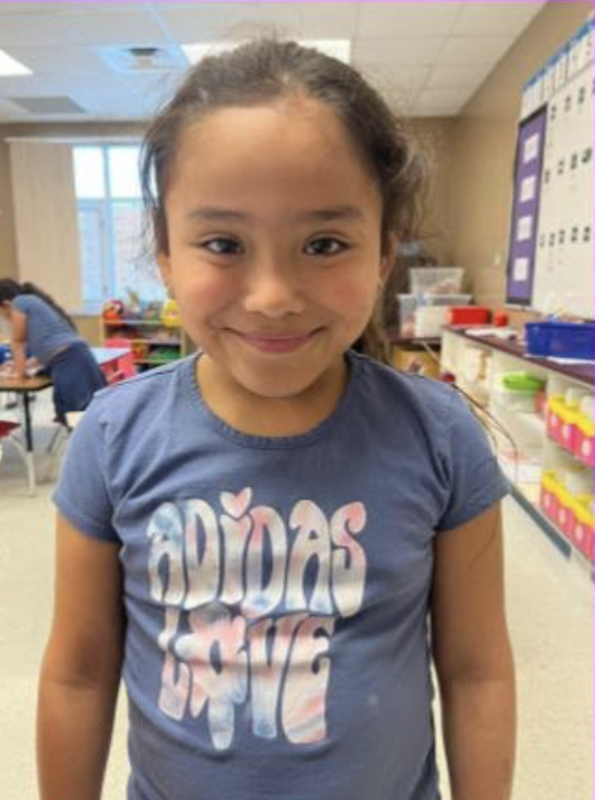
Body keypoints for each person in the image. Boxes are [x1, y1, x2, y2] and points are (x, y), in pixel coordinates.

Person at [38, 40, 516, 800]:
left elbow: (477, 671)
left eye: (324, 244)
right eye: (223, 244)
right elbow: (78, 673)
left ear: (384, 251)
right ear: (165, 253)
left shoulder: (439, 436)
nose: (272, 296)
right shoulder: (111, 436)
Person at [0, 279, 106, 424]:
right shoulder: (32, 303)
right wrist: (23, 364)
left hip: (70, 361)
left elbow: (17, 342)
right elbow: (47, 349)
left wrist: (19, 373)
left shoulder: (19, 302)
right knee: (74, 413)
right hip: (75, 357)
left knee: (78, 416)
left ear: (5, 304)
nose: (2, 316)